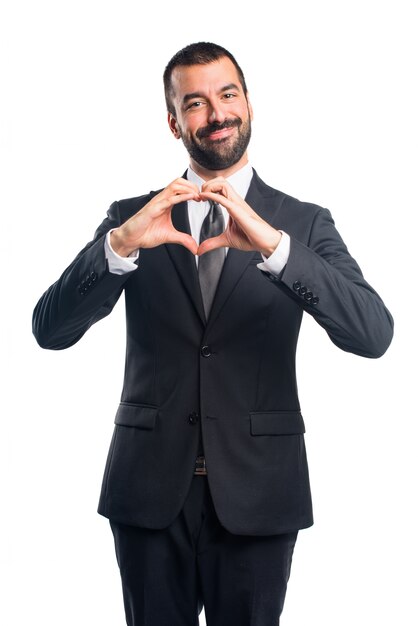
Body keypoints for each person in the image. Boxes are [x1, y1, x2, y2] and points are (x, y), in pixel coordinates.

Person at [33, 42, 394, 626]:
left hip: (259, 494)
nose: (217, 113)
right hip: (148, 492)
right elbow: (49, 330)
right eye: (195, 103)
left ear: (248, 103)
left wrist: (276, 249)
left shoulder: (302, 223)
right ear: (174, 121)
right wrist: (120, 246)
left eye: (228, 95)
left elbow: (373, 334)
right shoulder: (135, 214)